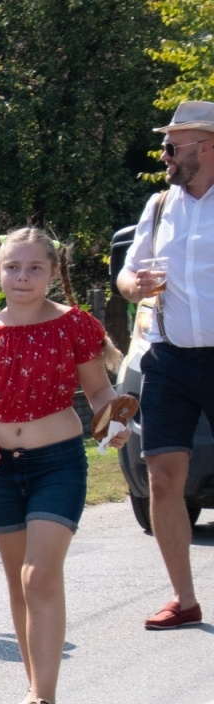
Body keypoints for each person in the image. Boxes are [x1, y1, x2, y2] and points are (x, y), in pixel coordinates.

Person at [0, 229, 130, 704]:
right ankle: (34, 689)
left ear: (54, 272)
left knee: (37, 575)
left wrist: (113, 421)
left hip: (59, 462)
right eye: (13, 268)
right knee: (17, 582)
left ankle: (43, 699)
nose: (22, 277)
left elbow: (99, 391)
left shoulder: (75, 325)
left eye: (34, 268)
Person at [115, 99, 214, 630]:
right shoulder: (157, 208)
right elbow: (128, 277)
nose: (165, 154)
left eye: (174, 145)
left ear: (207, 148)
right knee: (161, 475)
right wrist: (137, 286)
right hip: (170, 358)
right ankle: (184, 598)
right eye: (165, 144)